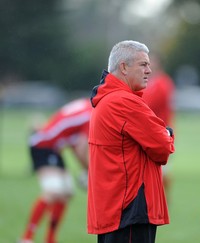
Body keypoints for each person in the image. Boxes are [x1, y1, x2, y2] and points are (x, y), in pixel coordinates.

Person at [87, 40, 175, 243]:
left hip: (115, 208)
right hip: (129, 208)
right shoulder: (125, 101)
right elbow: (163, 149)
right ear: (123, 67)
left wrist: (163, 133)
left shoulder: (108, 98)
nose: (149, 70)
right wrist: (168, 134)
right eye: (143, 65)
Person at [19, 98, 92, 243]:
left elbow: (71, 137)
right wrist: (90, 173)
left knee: (66, 193)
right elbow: (80, 148)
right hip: (43, 145)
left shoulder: (86, 104)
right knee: (54, 192)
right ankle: (26, 238)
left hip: (54, 148)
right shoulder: (91, 115)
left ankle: (50, 239)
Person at [142, 53, 175, 200]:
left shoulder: (162, 82)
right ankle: (158, 199)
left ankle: (161, 200)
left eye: (150, 63)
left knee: (161, 169)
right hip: (151, 132)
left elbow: (148, 104)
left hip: (160, 132)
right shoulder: (151, 82)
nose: (148, 66)